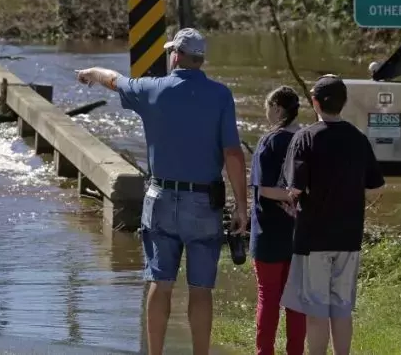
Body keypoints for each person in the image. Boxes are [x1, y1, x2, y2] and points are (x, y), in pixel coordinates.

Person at [75, 28, 248, 355]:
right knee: (201, 290)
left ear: (177, 56)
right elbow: (233, 154)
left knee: (160, 282)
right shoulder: (221, 96)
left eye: (172, 52)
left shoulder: (152, 90)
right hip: (204, 204)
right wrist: (242, 206)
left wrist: (90, 74)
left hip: (161, 200)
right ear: (200, 60)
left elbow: (115, 79)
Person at [280, 75, 385, 355]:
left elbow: (295, 189)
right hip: (349, 237)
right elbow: (377, 188)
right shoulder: (358, 138)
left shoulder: (305, 138)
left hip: (313, 239)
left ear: (314, 102)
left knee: (316, 311)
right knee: (341, 309)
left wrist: (291, 204)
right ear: (344, 103)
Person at [249, 86, 305, 355]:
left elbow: (263, 189)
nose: (266, 111)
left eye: (267, 105)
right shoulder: (307, 138)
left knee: (268, 298)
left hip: (268, 233)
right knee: (295, 301)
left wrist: (287, 195)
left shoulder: (269, 142)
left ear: (278, 109)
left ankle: (264, 352)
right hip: (300, 233)